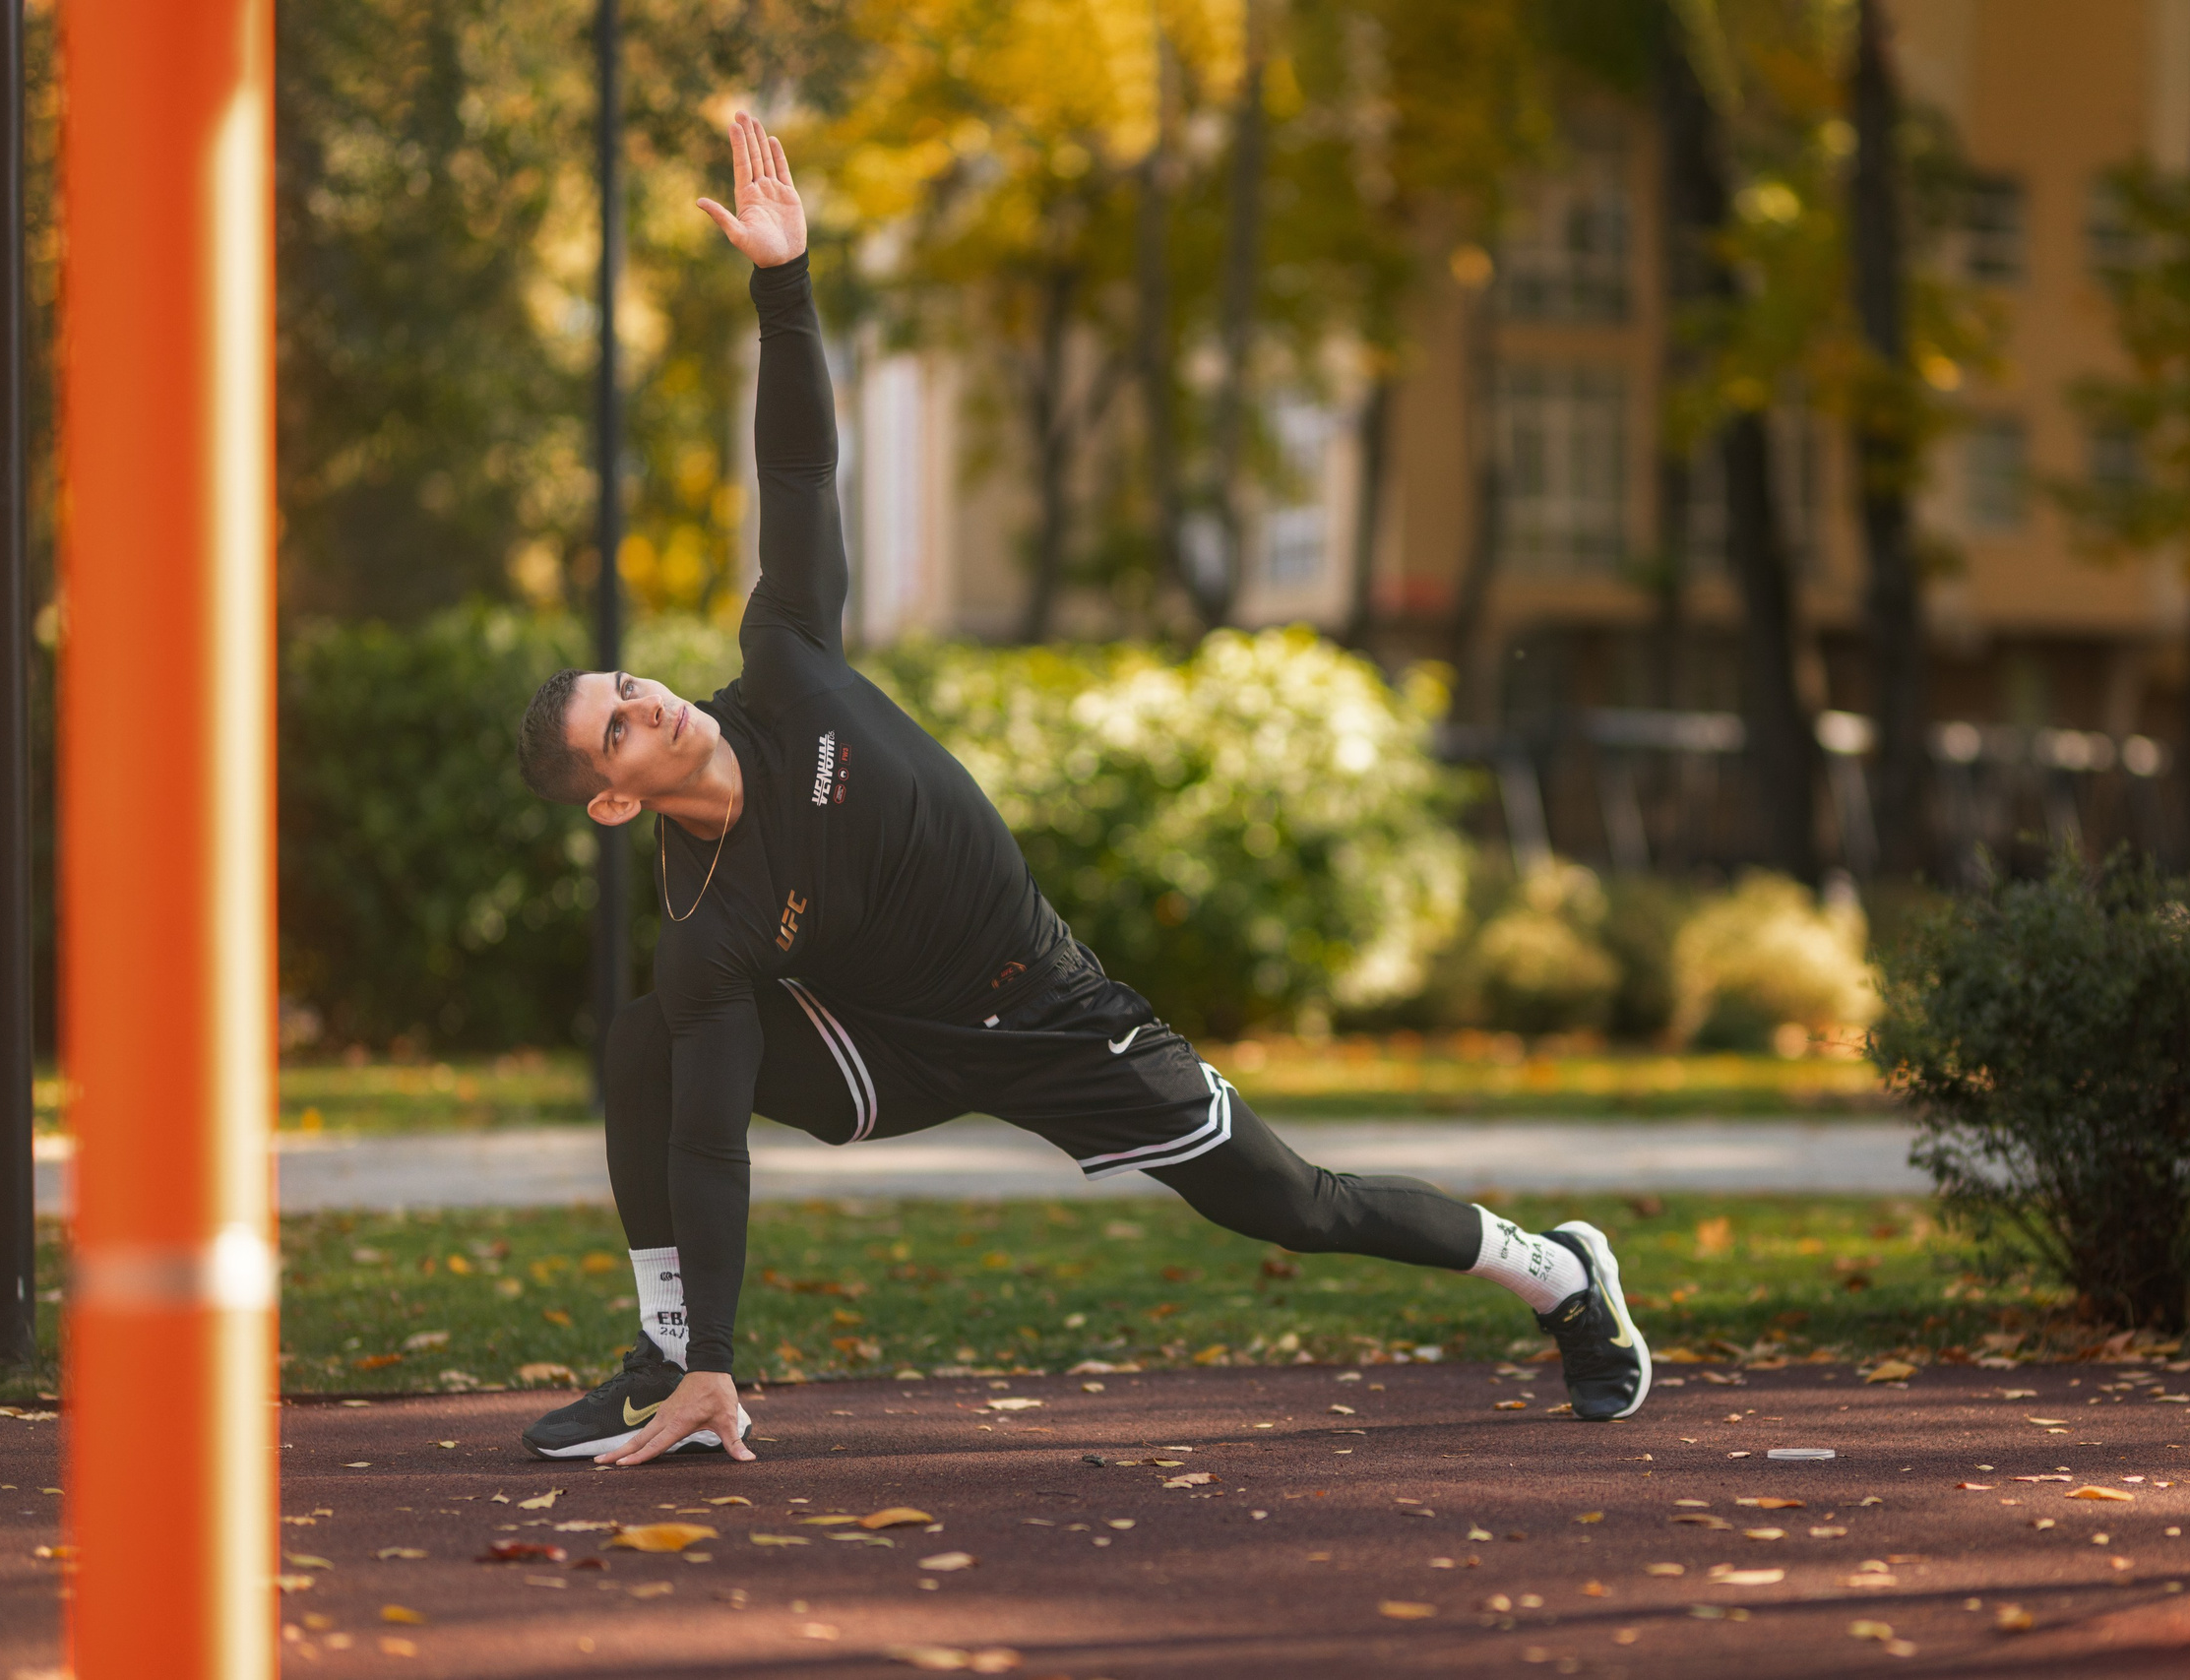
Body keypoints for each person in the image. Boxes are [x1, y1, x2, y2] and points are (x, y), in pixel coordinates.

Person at [510, 113, 1651, 1465]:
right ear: (614, 800)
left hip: (1045, 1009)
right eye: (620, 734)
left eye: (632, 687)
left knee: (1294, 1202)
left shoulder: (786, 665)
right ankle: (669, 1369)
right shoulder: (707, 922)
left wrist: (785, 282)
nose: (649, 707)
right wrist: (718, 1358)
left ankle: (1560, 1273)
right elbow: (708, 1146)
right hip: (890, 1040)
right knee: (653, 1041)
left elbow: (798, 471)